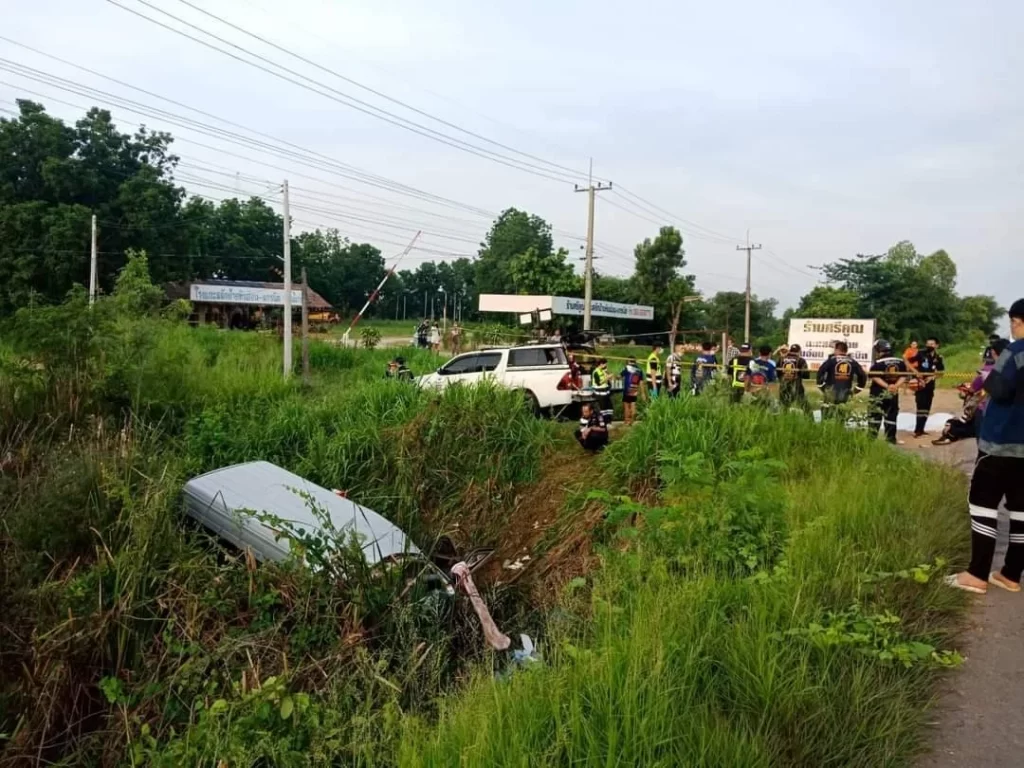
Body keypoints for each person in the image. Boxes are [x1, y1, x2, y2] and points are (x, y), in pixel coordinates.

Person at [947, 299, 1024, 594]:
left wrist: (987, 378)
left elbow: (1001, 390)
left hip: (1001, 444)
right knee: (1021, 511)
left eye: (1014, 322)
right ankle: (1010, 574)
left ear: (1018, 321)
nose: (1012, 327)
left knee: (982, 506)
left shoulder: (1015, 351)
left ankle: (977, 575)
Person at [932, 342, 1007, 445]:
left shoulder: (987, 370)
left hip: (986, 409)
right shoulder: (1016, 369)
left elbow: (973, 388)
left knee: (982, 441)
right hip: (1010, 411)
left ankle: (952, 434)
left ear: (993, 353)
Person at [867, 339, 907, 444]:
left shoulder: (878, 363)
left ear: (878, 349)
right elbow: (903, 376)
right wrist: (895, 386)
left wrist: (887, 386)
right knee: (891, 416)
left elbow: (875, 377)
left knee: (874, 416)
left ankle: (871, 439)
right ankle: (891, 439)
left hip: (878, 393)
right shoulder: (900, 362)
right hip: (893, 393)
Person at [816, 341, 867, 419]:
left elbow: (820, 373)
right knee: (841, 418)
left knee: (826, 418)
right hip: (845, 393)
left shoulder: (831, 360)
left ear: (837, 350)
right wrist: (857, 389)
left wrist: (823, 387)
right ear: (846, 351)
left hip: (830, 393)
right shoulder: (853, 362)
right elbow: (862, 376)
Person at [909, 337, 945, 437]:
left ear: (937, 345)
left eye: (932, 344)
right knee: (920, 407)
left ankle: (922, 429)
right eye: (928, 343)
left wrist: (933, 376)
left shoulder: (938, 357)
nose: (929, 346)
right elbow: (906, 360)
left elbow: (941, 372)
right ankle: (917, 430)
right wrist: (915, 373)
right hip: (920, 384)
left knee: (927, 407)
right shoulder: (921, 353)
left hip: (930, 386)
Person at [777, 344, 810, 411]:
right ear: (799, 351)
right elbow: (806, 375)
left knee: (784, 407)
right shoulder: (801, 360)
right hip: (796, 387)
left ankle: (782, 419)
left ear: (790, 350)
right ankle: (812, 419)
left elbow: (778, 374)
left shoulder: (781, 359)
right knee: (804, 407)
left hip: (784, 387)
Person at [620, 356, 643, 426]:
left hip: (627, 390)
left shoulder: (627, 368)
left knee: (626, 405)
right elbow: (641, 382)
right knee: (633, 405)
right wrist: (643, 393)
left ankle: (627, 421)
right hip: (634, 390)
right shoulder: (639, 370)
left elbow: (620, 375)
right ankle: (632, 421)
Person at [590, 358, 613, 424]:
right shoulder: (596, 372)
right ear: (601, 364)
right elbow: (598, 383)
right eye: (605, 364)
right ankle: (603, 422)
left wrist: (609, 378)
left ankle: (609, 421)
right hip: (600, 393)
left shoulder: (604, 371)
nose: (606, 365)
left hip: (606, 392)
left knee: (609, 407)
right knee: (602, 408)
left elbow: (607, 382)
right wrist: (607, 378)